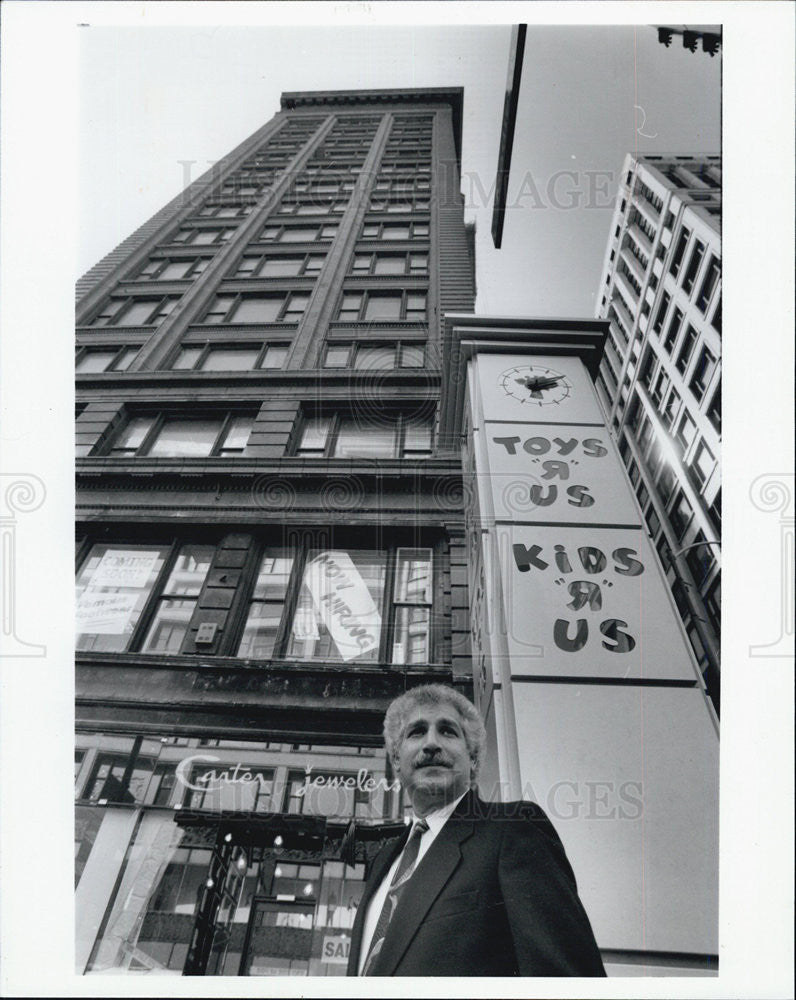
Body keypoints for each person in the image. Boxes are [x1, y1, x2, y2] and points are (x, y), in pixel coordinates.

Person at [347, 683, 606, 977]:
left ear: (472, 758)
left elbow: (567, 980)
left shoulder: (513, 829)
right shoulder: (384, 860)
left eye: (448, 731)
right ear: (396, 759)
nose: (431, 743)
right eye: (416, 732)